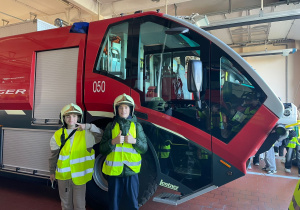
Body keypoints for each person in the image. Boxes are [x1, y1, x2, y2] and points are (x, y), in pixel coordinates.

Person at [49, 103, 103, 210]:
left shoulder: (86, 134)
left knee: (79, 205)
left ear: (78, 117)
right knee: (66, 205)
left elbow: (101, 135)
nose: (71, 119)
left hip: (79, 177)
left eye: (74, 116)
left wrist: (88, 126)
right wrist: (51, 172)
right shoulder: (57, 135)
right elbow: (53, 156)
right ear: (63, 118)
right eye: (68, 116)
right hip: (63, 176)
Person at [100, 93, 148, 210]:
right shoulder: (110, 126)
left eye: (126, 107)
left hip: (131, 172)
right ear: (116, 109)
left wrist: (134, 141)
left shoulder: (137, 127)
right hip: (114, 173)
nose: (123, 110)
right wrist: (113, 142)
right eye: (120, 107)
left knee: (132, 203)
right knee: (113, 204)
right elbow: (102, 149)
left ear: (131, 109)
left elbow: (144, 148)